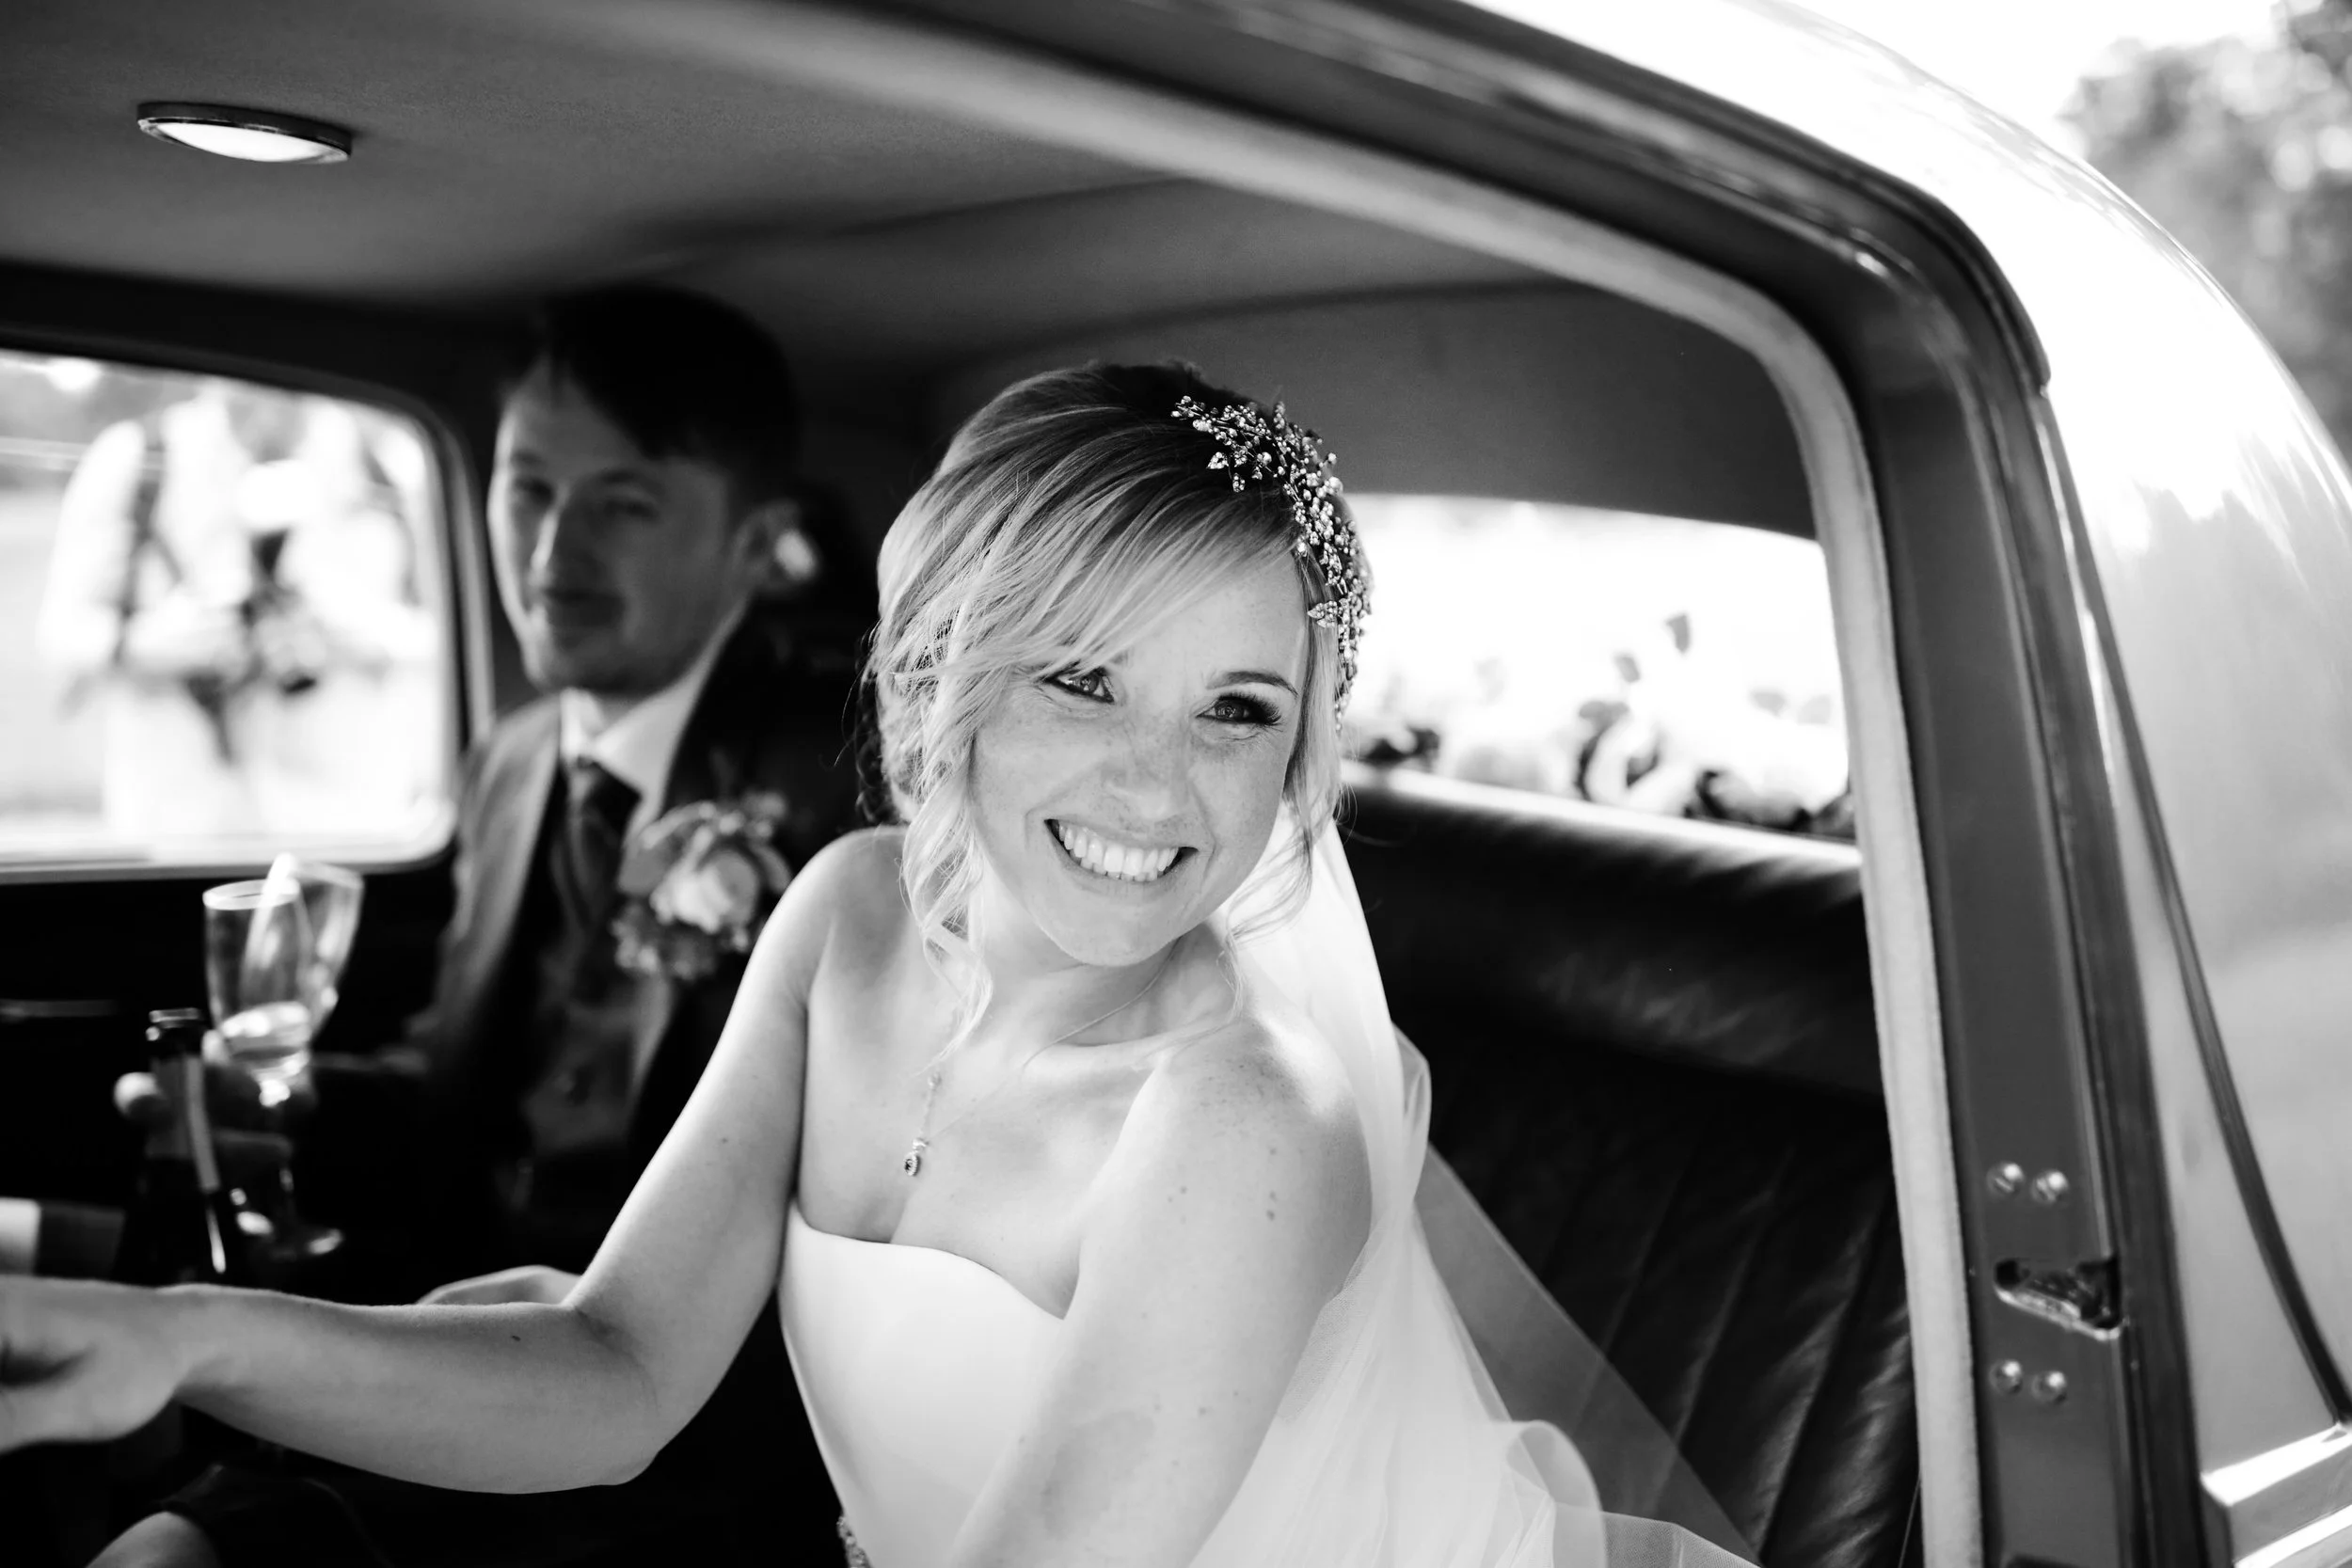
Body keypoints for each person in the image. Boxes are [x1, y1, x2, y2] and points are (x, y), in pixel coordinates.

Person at [2, 363, 1750, 1567]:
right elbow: (613, 1365)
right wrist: (182, 1342)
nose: (1163, 784)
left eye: (1239, 711)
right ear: (937, 682)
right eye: (1084, 678)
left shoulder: (1245, 1116)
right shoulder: (844, 915)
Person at [88, 287, 866, 1567]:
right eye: (527, 489)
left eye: (625, 501)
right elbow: (466, 1083)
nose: (554, 550)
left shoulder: (849, 769)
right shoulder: (510, 765)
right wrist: (278, 1106)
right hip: (455, 1323)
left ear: (753, 543)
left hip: (697, 1415)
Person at [35, 380, 437, 840]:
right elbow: (61, 636)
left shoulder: (388, 463)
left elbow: (454, 636)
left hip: (350, 816)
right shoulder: (139, 458)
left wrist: (356, 631)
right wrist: (153, 642)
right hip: (180, 820)